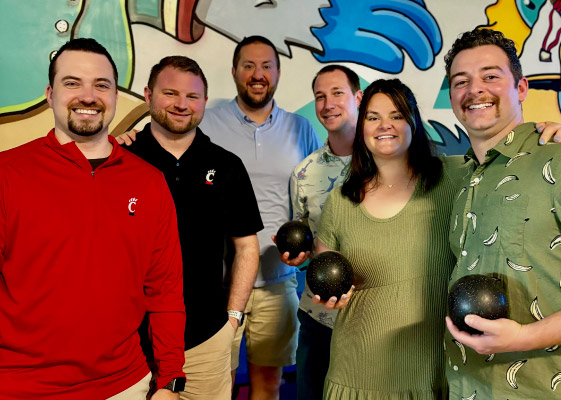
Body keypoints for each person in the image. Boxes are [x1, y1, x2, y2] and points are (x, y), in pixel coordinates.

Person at [0, 38, 185, 400]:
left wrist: (169, 380)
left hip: (125, 384)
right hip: (20, 386)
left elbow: (164, 291)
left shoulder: (149, 182)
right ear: (50, 94)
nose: (88, 96)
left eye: (101, 85)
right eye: (73, 83)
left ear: (116, 95)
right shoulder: (8, 173)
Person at [443, 28, 561, 399]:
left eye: (491, 76)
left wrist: (526, 336)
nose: (475, 89)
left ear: (522, 89)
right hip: (471, 387)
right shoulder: (463, 179)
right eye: (460, 81)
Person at [120, 56, 263, 400]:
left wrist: (232, 319)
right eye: (170, 93)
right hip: (129, 343)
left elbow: (247, 247)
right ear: (148, 95)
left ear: (204, 102)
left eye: (193, 97)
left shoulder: (227, 165)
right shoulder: (121, 159)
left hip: (206, 338)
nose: (182, 105)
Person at [311, 78, 463, 399]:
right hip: (359, 373)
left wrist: (550, 134)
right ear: (362, 126)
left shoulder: (454, 177)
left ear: (414, 122)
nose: (385, 125)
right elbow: (322, 271)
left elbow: (509, 156)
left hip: (432, 372)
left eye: (396, 115)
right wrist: (327, 295)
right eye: (373, 117)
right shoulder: (342, 200)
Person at [199, 36, 321, 399]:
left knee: (267, 387)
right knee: (214, 384)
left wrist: (310, 246)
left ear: (278, 73)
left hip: (277, 280)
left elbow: (316, 198)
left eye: (266, 66)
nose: (258, 74)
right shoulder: (206, 122)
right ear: (235, 71)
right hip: (217, 284)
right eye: (249, 65)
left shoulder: (301, 129)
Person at [285, 65, 362, 399]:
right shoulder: (304, 173)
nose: (328, 103)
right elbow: (303, 242)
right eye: (320, 96)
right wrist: (298, 257)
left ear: (358, 98)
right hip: (319, 316)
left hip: (373, 314)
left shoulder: (390, 159)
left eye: (337, 93)